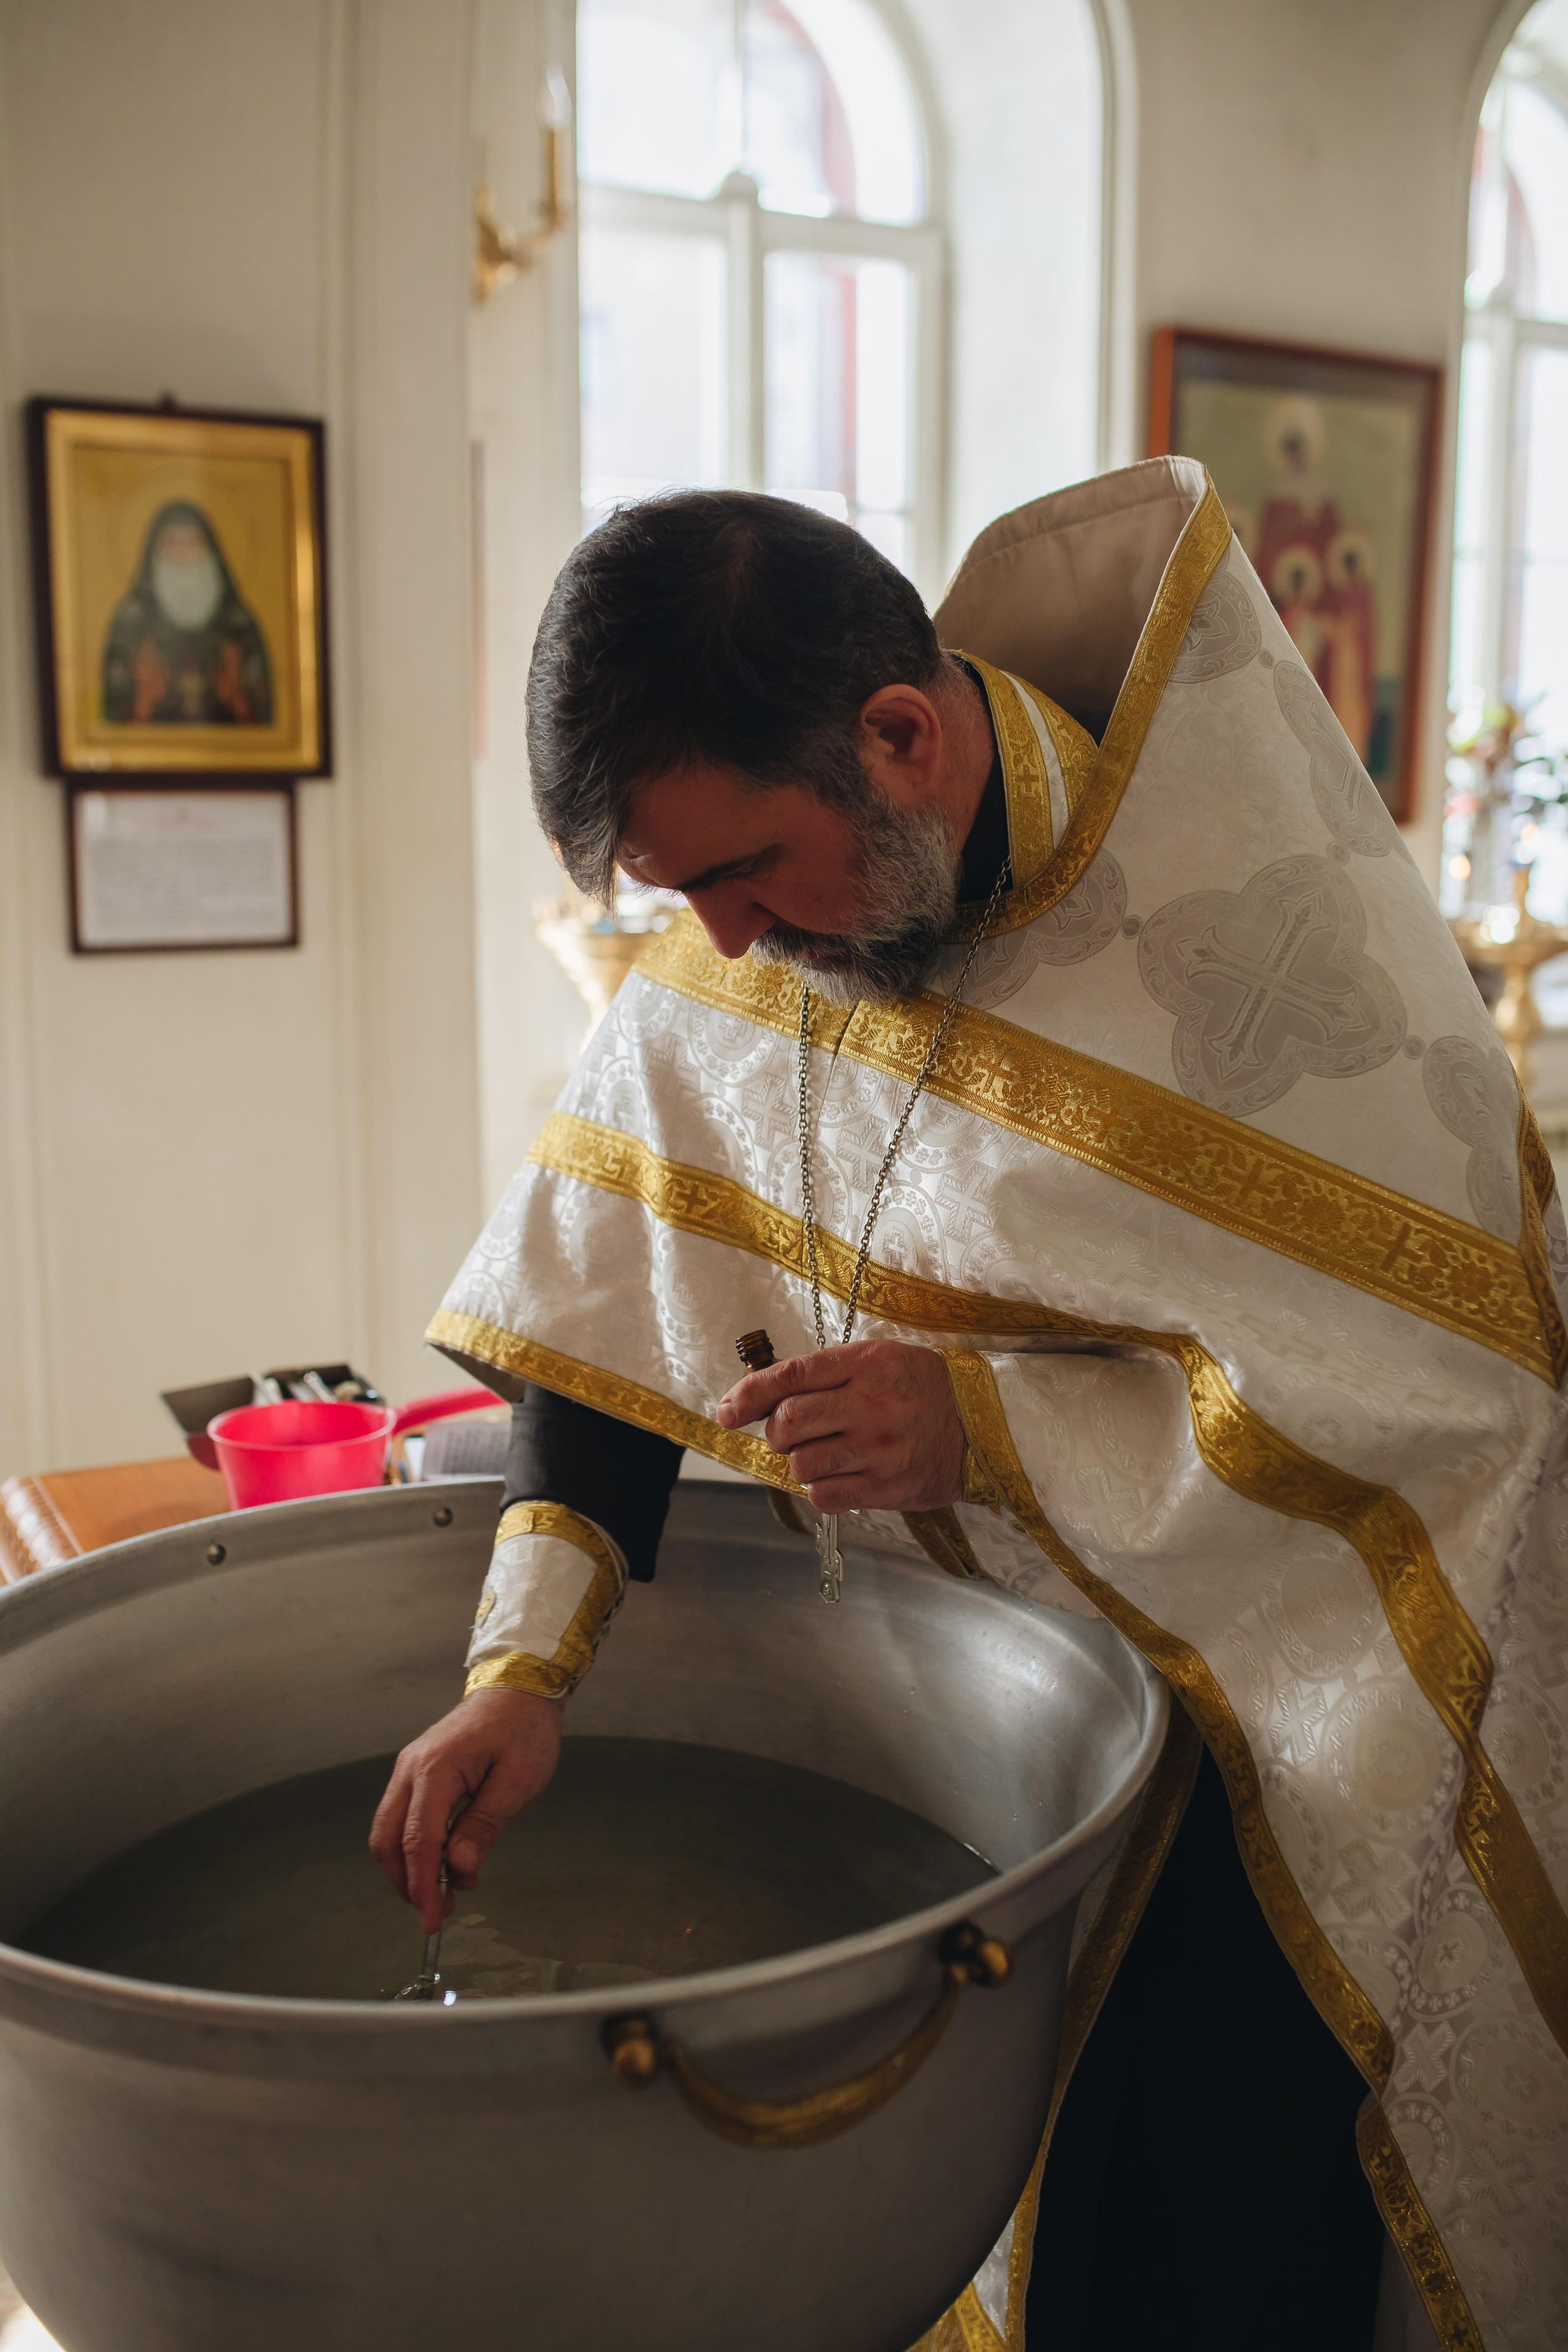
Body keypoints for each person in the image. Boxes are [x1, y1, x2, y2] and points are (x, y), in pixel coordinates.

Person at [370, 459, 1567, 2352]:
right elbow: (603, 1294)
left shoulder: (1270, 956)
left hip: (1254, 1748)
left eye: (741, 873)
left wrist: (989, 1433)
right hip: (940, 1736)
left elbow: (1463, 1406)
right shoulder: (763, 916)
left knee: (1166, 2253)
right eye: (684, 896)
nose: (729, 945)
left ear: (901, 737)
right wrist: (521, 1674)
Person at [101, 499, 273, 726]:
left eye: (193, 542)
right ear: (154, 550)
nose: (182, 554)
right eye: (171, 543)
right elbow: (113, 713)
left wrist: (238, 700)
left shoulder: (237, 620)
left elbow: (263, 711)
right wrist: (143, 701)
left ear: (211, 549)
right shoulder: (132, 619)